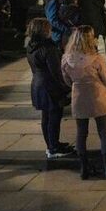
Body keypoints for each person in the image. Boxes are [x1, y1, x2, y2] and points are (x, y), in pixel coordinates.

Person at [61, 25, 106, 180]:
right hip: (97, 95)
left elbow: (67, 80)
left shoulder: (66, 59)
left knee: (81, 132)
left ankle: (83, 168)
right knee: (103, 132)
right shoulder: (96, 59)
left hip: (79, 96)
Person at [26, 18, 74, 160]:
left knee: (46, 117)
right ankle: (53, 148)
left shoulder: (31, 47)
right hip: (50, 87)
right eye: (49, 28)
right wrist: (66, 87)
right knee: (54, 117)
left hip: (38, 85)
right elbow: (56, 72)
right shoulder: (48, 49)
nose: (51, 31)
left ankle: (52, 144)